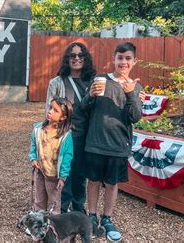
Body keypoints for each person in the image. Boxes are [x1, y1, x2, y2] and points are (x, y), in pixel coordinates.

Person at [80, 42, 143, 241]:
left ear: (134, 61)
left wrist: (131, 93)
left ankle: (107, 218)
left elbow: (135, 117)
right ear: (113, 59)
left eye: (127, 58)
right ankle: (91, 216)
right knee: (93, 181)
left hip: (118, 145)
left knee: (112, 183)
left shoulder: (136, 87)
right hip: (96, 142)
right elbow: (83, 108)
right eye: (120, 58)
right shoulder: (99, 80)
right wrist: (90, 95)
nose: (123, 62)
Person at [45, 42, 96, 214]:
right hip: (65, 134)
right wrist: (50, 134)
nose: (76, 59)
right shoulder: (57, 82)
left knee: (81, 172)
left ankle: (78, 205)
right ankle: (63, 206)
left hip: (86, 134)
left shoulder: (93, 82)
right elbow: (48, 111)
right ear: (67, 59)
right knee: (64, 170)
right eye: (72, 56)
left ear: (85, 58)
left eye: (80, 55)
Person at [28, 96, 74, 214]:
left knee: (54, 202)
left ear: (63, 117)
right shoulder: (38, 130)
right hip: (40, 172)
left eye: (55, 110)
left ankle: (54, 225)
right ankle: (37, 222)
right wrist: (33, 158)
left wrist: (63, 177)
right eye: (50, 108)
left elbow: (67, 157)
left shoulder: (65, 136)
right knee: (39, 198)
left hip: (54, 176)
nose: (50, 111)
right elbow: (34, 146)